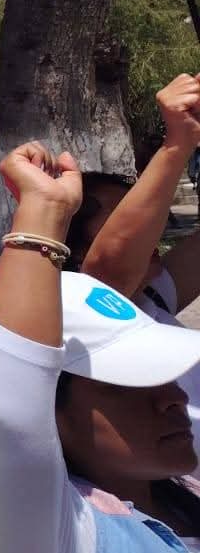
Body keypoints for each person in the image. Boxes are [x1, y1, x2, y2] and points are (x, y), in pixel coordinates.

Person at [0, 142, 200, 553]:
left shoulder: (178, 489)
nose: (174, 399)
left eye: (169, 375)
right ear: (51, 413)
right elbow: (1, 411)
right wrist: (43, 212)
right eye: (128, 387)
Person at [71, 73, 200, 447]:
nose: (152, 232)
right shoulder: (81, 314)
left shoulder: (154, 295)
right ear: (76, 249)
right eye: (121, 217)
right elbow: (110, 268)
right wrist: (177, 145)